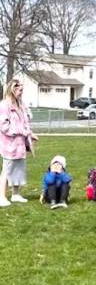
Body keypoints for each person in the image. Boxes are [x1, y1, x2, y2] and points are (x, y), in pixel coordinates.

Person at [0, 79, 36, 207]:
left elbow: (25, 122)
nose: (21, 93)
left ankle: (16, 194)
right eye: (20, 90)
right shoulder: (4, 105)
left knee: (19, 170)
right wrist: (22, 132)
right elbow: (4, 127)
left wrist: (30, 134)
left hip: (20, 144)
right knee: (7, 170)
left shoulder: (21, 104)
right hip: (9, 145)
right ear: (13, 89)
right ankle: (1, 196)